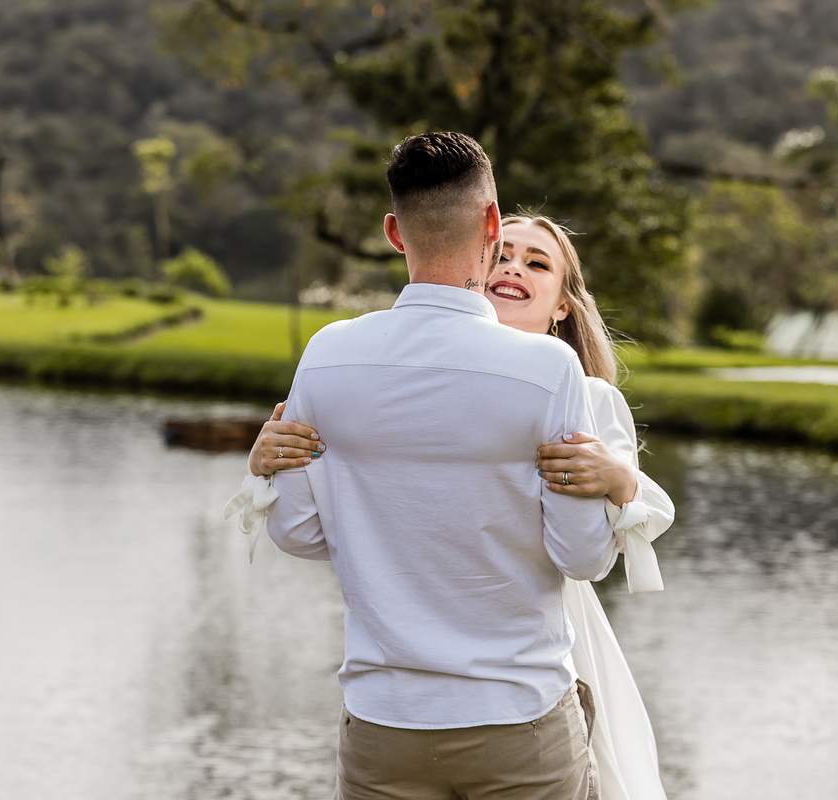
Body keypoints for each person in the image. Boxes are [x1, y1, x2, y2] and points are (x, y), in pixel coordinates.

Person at [225, 131, 666, 799]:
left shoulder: (329, 352)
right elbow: (583, 556)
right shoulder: (550, 372)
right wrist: (271, 461)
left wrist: (286, 474)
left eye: (538, 264)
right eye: (507, 251)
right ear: (489, 227)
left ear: (393, 232)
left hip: (384, 718)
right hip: (516, 713)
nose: (514, 268)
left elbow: (298, 533)